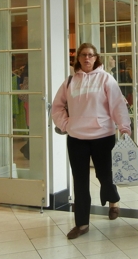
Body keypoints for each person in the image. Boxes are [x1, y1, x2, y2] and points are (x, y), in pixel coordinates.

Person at [51, 43, 131, 239]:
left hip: (103, 136)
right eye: (83, 55)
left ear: (96, 58)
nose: (87, 58)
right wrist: (66, 125)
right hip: (77, 137)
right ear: (78, 58)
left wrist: (124, 128)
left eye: (90, 55)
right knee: (80, 181)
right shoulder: (70, 81)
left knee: (105, 176)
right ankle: (82, 224)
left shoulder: (106, 79)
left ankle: (113, 199)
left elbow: (118, 105)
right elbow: (57, 106)